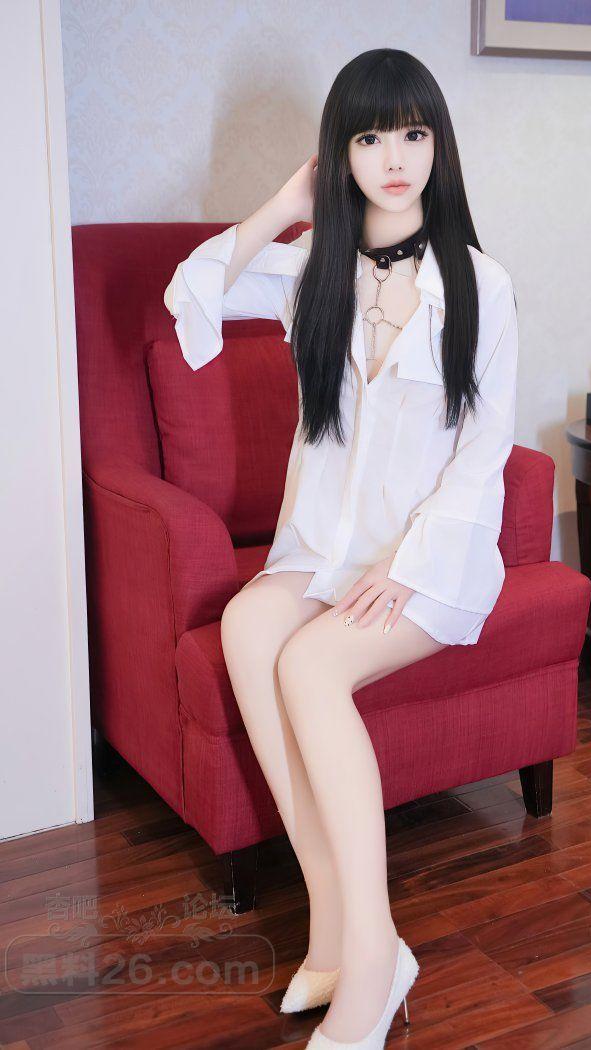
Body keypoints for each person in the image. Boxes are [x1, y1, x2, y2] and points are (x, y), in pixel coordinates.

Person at [164, 47, 518, 1050]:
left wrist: (405, 565)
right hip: (323, 550)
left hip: (426, 561)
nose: (394, 158)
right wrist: (286, 204)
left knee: (311, 667)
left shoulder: (481, 285)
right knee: (249, 628)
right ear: (341, 155)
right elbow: (190, 296)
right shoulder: (313, 269)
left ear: (439, 146)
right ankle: (334, 927)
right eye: (368, 138)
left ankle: (372, 963)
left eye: (413, 133)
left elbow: (484, 455)